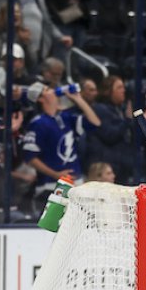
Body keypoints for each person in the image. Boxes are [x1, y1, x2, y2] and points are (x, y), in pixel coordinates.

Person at [21, 81, 101, 212]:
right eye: (47, 90)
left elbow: (95, 123)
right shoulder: (38, 123)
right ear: (40, 98)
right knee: (52, 229)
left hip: (75, 185)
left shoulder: (65, 117)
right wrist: (55, 174)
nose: (53, 91)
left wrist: (78, 99)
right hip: (51, 187)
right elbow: (30, 157)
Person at [79, 75, 133, 184]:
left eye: (123, 87)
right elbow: (109, 135)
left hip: (122, 170)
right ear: (108, 91)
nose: (123, 90)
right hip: (105, 170)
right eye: (119, 87)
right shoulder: (99, 109)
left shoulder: (120, 110)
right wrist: (127, 120)